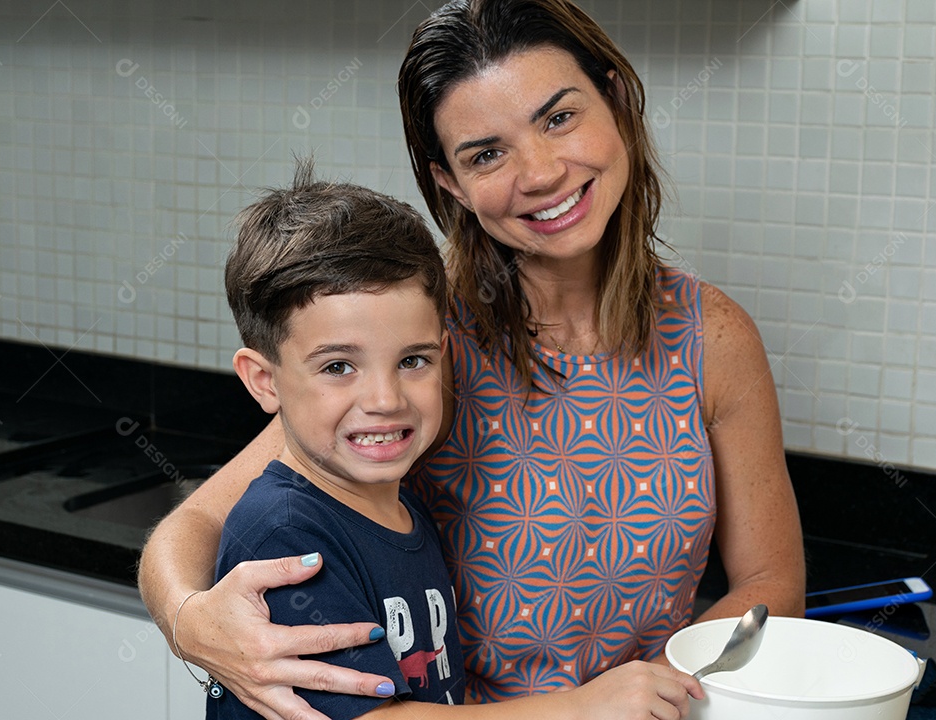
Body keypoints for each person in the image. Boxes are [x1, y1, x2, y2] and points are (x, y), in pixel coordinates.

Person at [139, 1, 805, 718]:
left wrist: (648, 693)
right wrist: (190, 621)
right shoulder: (420, 345)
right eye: (486, 154)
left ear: (616, 101)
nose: (541, 172)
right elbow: (197, 526)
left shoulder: (712, 337)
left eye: (559, 118)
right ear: (450, 182)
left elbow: (770, 582)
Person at [204, 159, 701, 720]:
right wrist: (578, 708)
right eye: (339, 366)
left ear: (443, 353)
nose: (385, 399)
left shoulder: (403, 509)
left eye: (413, 360)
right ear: (263, 380)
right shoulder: (289, 537)